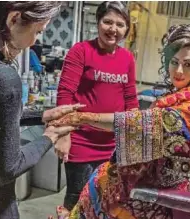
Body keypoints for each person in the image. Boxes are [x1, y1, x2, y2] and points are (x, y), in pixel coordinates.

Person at [49, 23, 190, 219]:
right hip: (166, 177)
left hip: (178, 190)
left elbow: (146, 126)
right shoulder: (189, 94)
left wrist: (83, 117)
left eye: (188, 64)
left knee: (108, 187)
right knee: (103, 176)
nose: (178, 70)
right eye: (174, 62)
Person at [0, 2, 79, 219]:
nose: (34, 42)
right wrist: (50, 136)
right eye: (37, 31)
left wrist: (41, 116)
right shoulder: (1, 77)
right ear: (14, 19)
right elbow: (7, 169)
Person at [55, 1, 139, 211]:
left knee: (106, 201)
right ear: (98, 22)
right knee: (77, 200)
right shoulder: (81, 51)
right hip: (81, 142)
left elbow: (130, 99)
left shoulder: (127, 58)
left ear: (126, 29)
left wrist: (135, 137)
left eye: (120, 24)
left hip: (113, 145)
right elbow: (65, 94)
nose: (113, 29)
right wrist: (63, 135)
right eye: (108, 22)